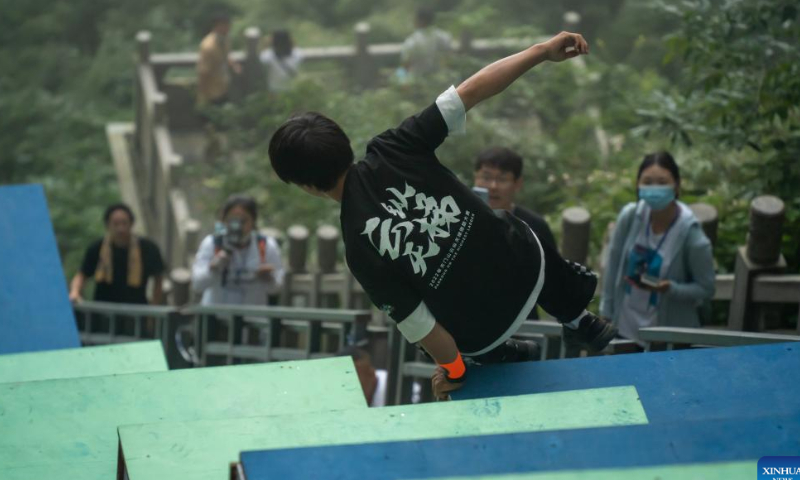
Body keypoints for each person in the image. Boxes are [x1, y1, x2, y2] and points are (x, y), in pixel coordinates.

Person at [268, 31, 616, 401]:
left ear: (305, 185)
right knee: (512, 225)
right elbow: (472, 91)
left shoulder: (357, 246)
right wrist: (541, 51)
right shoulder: (394, 147)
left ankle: (501, 354)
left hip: (482, 333)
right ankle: (581, 320)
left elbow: (421, 325)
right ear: (342, 141)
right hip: (528, 270)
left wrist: (453, 371)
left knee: (416, 321)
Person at [600, 152, 715, 346]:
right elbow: (613, 267)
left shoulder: (690, 234)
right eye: (647, 181)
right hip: (625, 331)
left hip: (666, 339)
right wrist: (606, 313)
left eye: (662, 182)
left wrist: (670, 288)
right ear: (638, 185)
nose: (655, 188)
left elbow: (706, 288)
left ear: (677, 185)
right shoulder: (630, 217)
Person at [191, 194, 284, 305]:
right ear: (224, 220)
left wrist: (268, 278)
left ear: (253, 221)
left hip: (254, 318)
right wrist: (213, 268)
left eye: (243, 220)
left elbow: (277, 288)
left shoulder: (265, 245)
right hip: (217, 317)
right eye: (232, 220)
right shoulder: (212, 243)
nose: (237, 226)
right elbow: (197, 285)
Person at [70, 204, 164, 304]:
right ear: (108, 225)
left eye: (124, 223)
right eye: (115, 224)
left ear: (131, 224)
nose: (120, 229)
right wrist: (75, 292)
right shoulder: (97, 248)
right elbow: (82, 275)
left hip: (136, 311)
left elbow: (158, 279)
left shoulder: (148, 248)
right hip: (103, 312)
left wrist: (154, 306)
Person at [196, 13, 241, 106]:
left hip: (224, 87)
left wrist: (234, 65)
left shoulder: (225, 39)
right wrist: (202, 96)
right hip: (212, 92)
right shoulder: (208, 46)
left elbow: (225, 55)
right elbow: (203, 72)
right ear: (217, 26)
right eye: (225, 25)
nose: (228, 28)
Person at [399, 7, 453, 78]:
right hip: (441, 80)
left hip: (417, 82)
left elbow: (405, 65)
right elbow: (449, 57)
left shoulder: (412, 41)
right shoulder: (443, 37)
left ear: (420, 20)